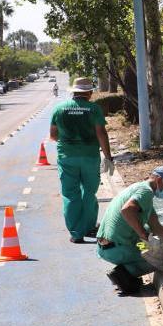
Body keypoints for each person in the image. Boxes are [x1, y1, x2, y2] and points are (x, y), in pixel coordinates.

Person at [97, 166, 163, 295]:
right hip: (119, 248)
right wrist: (144, 236)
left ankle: (127, 269)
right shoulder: (146, 191)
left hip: (110, 246)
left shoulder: (140, 190)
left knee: (157, 245)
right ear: (159, 180)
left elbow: (157, 228)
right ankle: (124, 274)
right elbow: (127, 210)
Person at [49, 77, 112, 243]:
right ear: (89, 93)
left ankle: (76, 233)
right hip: (89, 157)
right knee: (89, 193)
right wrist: (108, 156)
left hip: (67, 157)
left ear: (74, 92)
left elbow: (53, 135)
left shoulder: (59, 109)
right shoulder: (94, 109)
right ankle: (89, 227)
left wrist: (69, 142)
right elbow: (101, 133)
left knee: (70, 195)